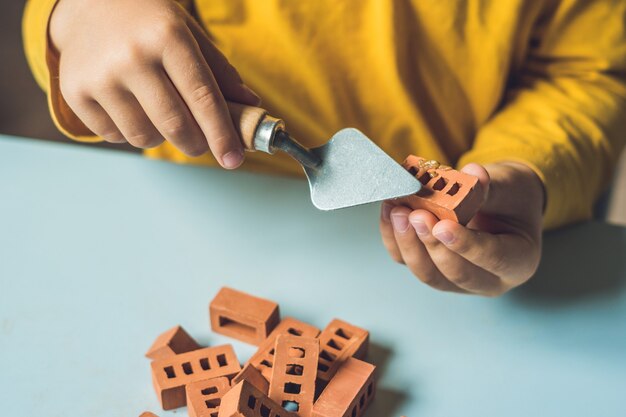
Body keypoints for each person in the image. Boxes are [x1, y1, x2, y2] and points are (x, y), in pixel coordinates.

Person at [23, 0, 626, 296]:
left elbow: (584, 71)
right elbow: (84, 33)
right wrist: (76, 15)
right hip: (210, 215)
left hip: (439, 247)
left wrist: (528, 166)